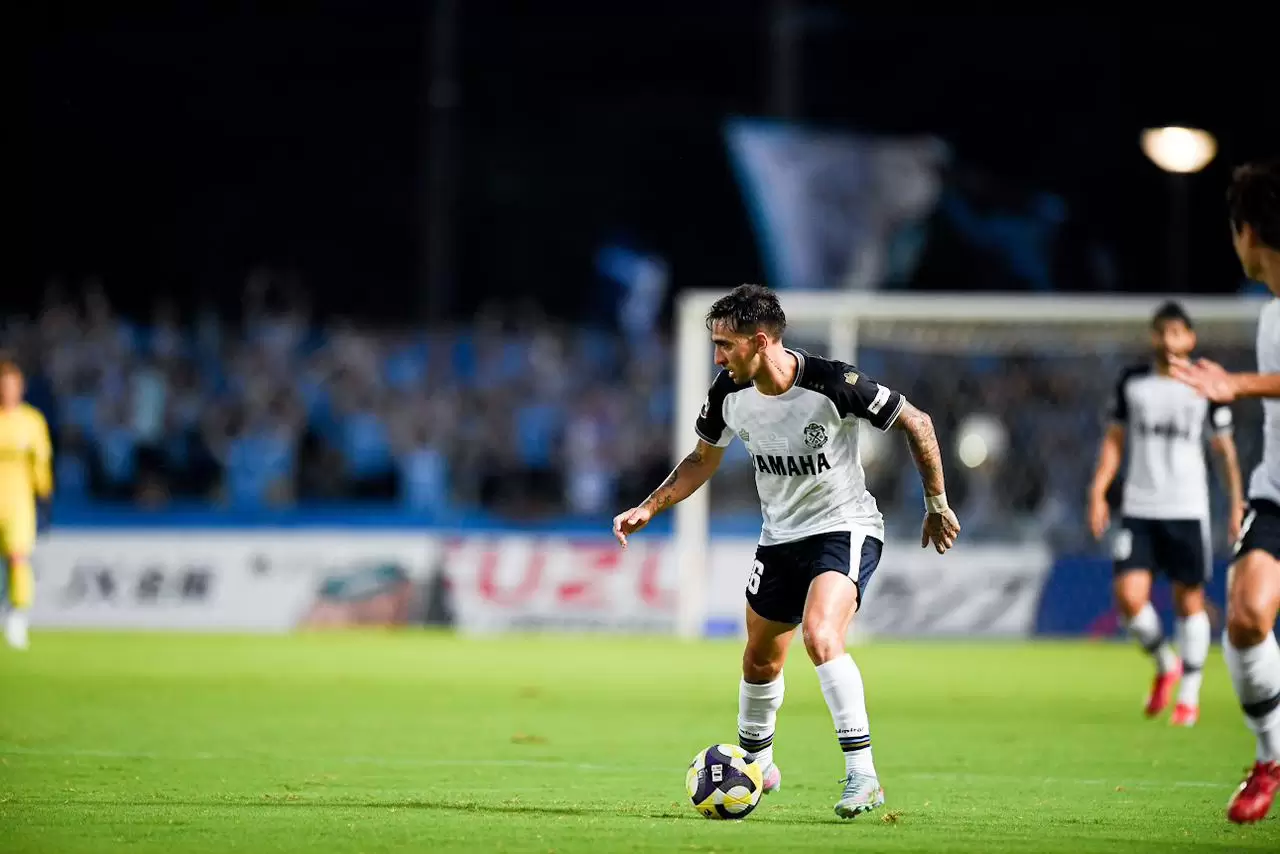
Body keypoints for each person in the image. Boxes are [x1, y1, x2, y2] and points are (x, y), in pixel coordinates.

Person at [611, 284, 959, 819]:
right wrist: (649, 508)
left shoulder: (833, 383)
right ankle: (756, 763)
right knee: (759, 656)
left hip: (846, 528)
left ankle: (863, 776)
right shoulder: (728, 392)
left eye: (726, 345)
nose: (718, 356)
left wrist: (935, 503)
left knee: (821, 636)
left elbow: (919, 421)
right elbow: (703, 459)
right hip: (780, 537)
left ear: (760, 341)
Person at [1169, 159, 1280, 823]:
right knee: (1243, 617)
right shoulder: (1270, 316)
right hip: (1276, 496)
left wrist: (1238, 385)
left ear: (1247, 232)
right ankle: (1270, 758)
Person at [1088, 301, 1244, 726]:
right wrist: (1099, 491)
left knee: (1188, 600)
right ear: (1153, 338)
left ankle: (1190, 694)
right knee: (1128, 597)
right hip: (1139, 508)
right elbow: (1115, 442)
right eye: (1162, 332)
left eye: (1178, 333)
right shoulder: (1133, 383)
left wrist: (1235, 502)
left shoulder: (1203, 384)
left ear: (1190, 338)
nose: (1169, 340)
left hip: (1187, 507)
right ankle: (1165, 662)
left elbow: (1223, 450)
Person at [0, 361, 54, 650]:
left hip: (18, 501)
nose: (8, 391)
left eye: (12, 385)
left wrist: (44, 495)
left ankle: (17, 617)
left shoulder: (31, 421)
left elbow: (41, 462)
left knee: (18, 557)